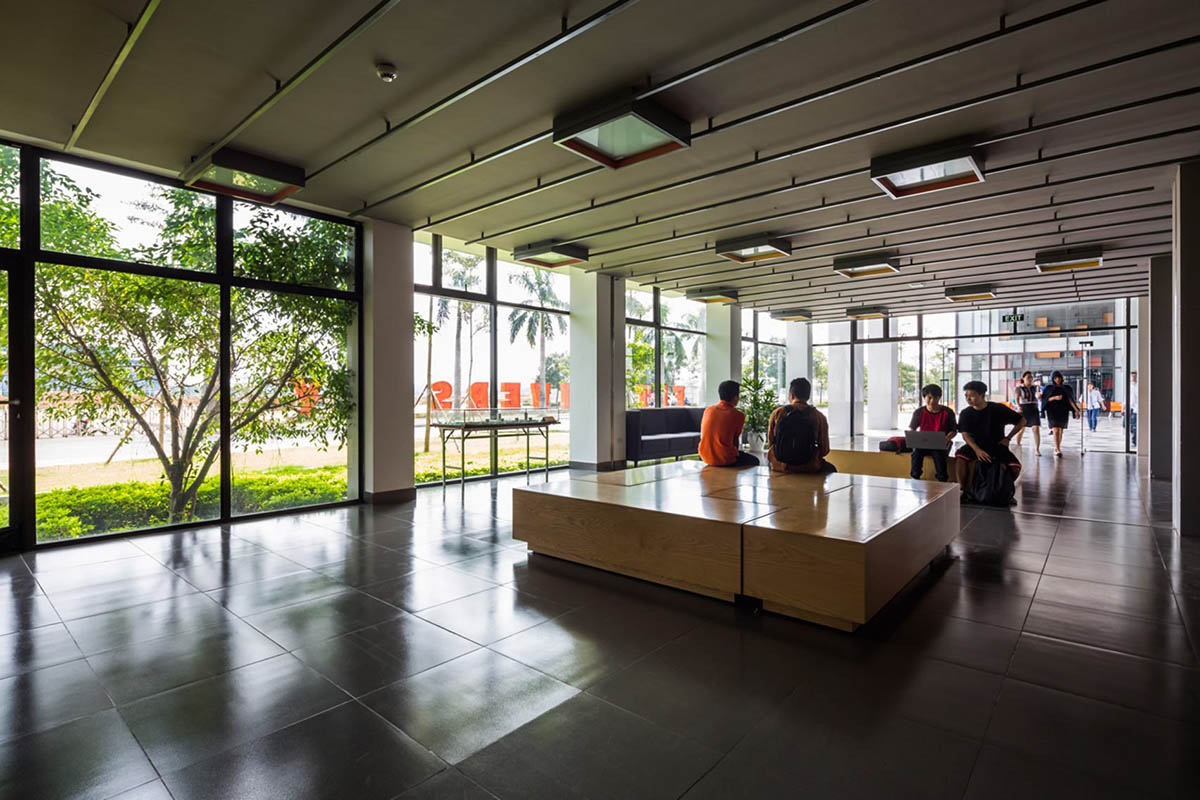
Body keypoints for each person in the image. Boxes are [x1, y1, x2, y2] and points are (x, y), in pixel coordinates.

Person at [956, 380, 1026, 500]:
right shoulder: (966, 413)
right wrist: (977, 450)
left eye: (971, 395)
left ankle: (1005, 490)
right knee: (960, 457)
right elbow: (965, 435)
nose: (968, 399)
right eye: (966, 396)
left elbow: (1022, 421)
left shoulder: (998, 409)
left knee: (1015, 467)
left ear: (982, 395)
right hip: (975, 445)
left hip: (997, 445)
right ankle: (963, 490)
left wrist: (1008, 438)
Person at [767, 377, 836, 474]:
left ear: (791, 395)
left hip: (780, 466)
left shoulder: (777, 413)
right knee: (831, 469)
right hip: (810, 467)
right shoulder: (819, 416)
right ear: (808, 396)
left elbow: (770, 443)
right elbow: (824, 450)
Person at [699, 380, 759, 468]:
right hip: (725, 459)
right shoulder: (738, 415)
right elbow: (735, 441)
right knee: (755, 461)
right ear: (735, 397)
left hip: (704, 456)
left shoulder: (708, 410)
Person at [907, 384, 957, 481]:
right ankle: (915, 478)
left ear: (939, 398)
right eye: (929, 398)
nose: (932, 401)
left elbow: (953, 430)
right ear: (924, 397)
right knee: (916, 453)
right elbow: (912, 429)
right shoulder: (919, 412)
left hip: (941, 443)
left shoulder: (948, 412)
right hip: (922, 443)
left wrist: (947, 439)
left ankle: (942, 480)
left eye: (935, 398)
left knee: (939, 456)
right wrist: (913, 437)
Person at [1041, 370, 1080, 456]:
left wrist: (1076, 410)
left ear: (1061, 378)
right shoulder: (1048, 388)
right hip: (1052, 411)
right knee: (1055, 430)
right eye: (1055, 378)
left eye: (1059, 377)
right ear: (1053, 379)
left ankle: (1058, 447)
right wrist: (1055, 398)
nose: (1057, 379)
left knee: (1060, 430)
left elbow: (1070, 400)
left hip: (1063, 411)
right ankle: (1057, 449)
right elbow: (1045, 400)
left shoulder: (1066, 388)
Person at [1013, 371, 1042, 455]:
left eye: (1031, 377)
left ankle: (1037, 449)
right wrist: (1018, 406)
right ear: (1023, 378)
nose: (1030, 379)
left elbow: (1039, 396)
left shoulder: (1035, 387)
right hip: (1024, 408)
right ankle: (1018, 444)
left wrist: (1040, 397)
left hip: (1034, 408)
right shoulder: (1019, 388)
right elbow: (1016, 399)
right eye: (1028, 377)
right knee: (1021, 429)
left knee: (1036, 428)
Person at [1129, 370, 1139, 447]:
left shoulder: (1138, 386)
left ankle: (1134, 441)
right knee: (1131, 426)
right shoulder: (1129, 386)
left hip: (1136, 408)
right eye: (1132, 376)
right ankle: (1134, 439)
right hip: (1130, 407)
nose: (1133, 377)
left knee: (1135, 425)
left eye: (1135, 376)